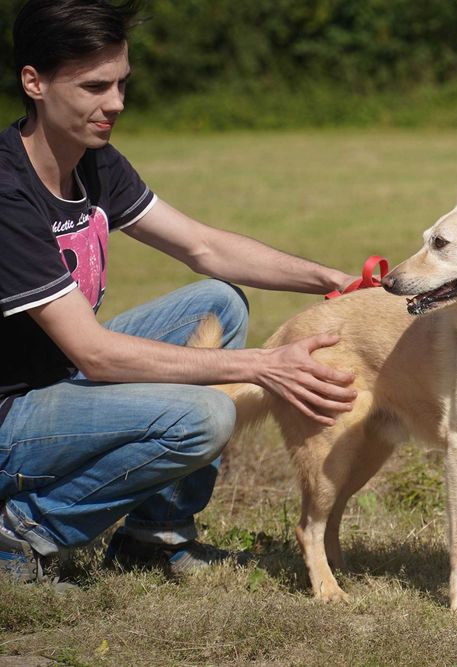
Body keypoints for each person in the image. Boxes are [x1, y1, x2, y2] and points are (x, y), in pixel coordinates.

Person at [0, 0, 359, 584]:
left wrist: (332, 280)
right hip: (12, 415)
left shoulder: (94, 161)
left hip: (57, 376)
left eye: (121, 83)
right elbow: (95, 353)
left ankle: (154, 537)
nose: (114, 103)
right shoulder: (7, 191)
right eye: (94, 86)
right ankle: (22, 533)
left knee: (219, 299)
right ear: (34, 83)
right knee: (205, 415)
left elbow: (203, 247)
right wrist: (262, 365)